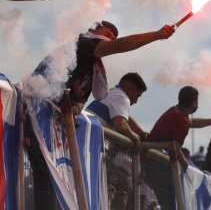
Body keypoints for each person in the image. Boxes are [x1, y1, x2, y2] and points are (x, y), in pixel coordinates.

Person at [23, 20, 175, 209]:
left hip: (50, 123)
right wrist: (156, 35)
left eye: (113, 35)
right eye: (107, 32)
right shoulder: (85, 44)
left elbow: (80, 102)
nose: (110, 36)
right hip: (33, 111)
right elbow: (120, 46)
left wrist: (72, 110)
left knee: (48, 179)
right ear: (93, 30)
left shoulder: (92, 67)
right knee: (41, 176)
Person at [145, 86, 211, 170]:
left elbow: (192, 122)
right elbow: (176, 150)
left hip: (151, 155)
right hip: (153, 161)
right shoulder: (181, 121)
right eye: (197, 101)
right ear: (194, 103)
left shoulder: (175, 111)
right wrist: (186, 166)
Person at [86, 72, 149, 152]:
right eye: (137, 96)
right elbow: (121, 126)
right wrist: (136, 139)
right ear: (130, 90)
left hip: (84, 136)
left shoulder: (113, 93)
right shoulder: (122, 97)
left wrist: (142, 134)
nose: (136, 101)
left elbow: (124, 118)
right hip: (87, 141)